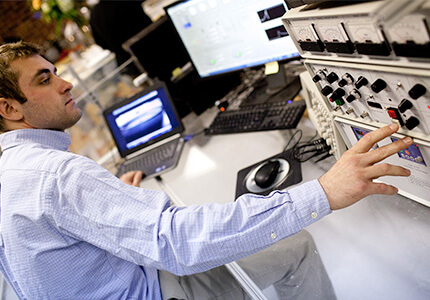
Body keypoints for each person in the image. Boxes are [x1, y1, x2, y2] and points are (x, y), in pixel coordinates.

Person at [0, 41, 412, 300]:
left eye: (55, 72)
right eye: (44, 79)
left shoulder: (14, 173)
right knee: (297, 247)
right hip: (157, 289)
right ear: (10, 108)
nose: (65, 83)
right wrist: (323, 191)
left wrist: (110, 206)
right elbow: (179, 242)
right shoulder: (55, 176)